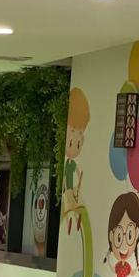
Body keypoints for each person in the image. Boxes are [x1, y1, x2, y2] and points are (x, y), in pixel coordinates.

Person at [62, 87, 91, 235]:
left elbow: (77, 173)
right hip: (68, 190)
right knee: (69, 207)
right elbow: (66, 177)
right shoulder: (67, 163)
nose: (75, 145)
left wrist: (80, 180)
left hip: (72, 189)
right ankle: (70, 221)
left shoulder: (72, 163)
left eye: (78, 144)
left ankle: (75, 219)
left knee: (75, 205)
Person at [105, 192, 139, 277]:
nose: (124, 245)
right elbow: (113, 269)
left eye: (130, 235)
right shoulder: (118, 266)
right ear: (111, 236)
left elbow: (132, 272)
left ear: (136, 233)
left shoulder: (127, 267)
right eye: (119, 236)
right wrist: (108, 260)